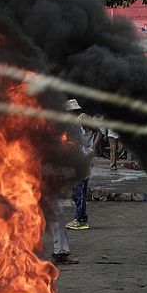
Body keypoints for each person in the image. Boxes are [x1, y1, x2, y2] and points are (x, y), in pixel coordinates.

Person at [65, 99, 99, 230]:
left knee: (78, 190)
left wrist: (92, 148)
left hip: (85, 158)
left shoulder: (83, 118)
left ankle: (80, 219)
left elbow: (99, 132)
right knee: (80, 189)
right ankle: (81, 217)